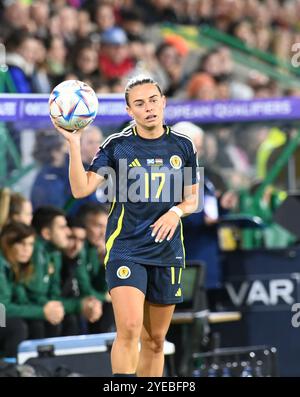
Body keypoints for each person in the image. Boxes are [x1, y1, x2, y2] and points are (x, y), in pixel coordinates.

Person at [51, 75, 199, 377]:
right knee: (129, 329)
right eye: (140, 104)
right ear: (130, 111)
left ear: (164, 102)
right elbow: (81, 189)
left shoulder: (183, 146)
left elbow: (191, 199)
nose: (149, 108)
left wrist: (175, 212)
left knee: (156, 341)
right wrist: (74, 142)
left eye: (154, 100)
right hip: (126, 249)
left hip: (167, 251)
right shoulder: (117, 146)